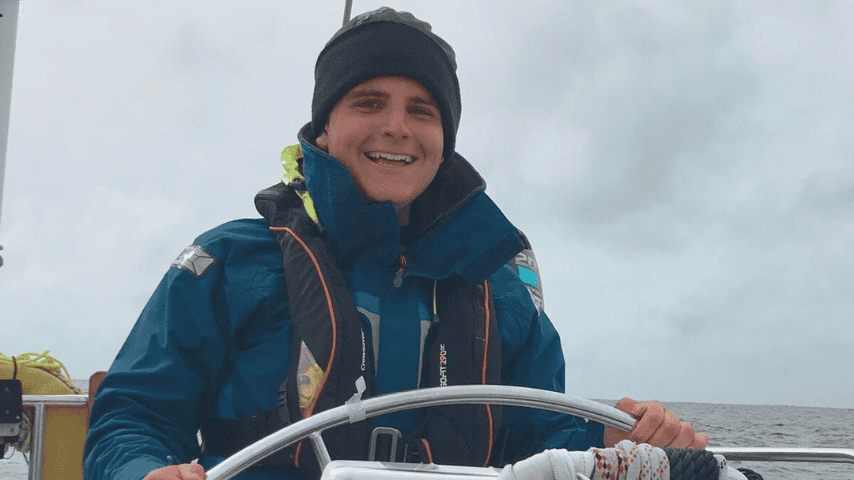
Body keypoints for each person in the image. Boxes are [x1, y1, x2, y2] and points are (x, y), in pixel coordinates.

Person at [83, 8, 707, 480]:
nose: (396, 127)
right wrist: (146, 471)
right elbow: (133, 417)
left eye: (422, 110)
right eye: (369, 102)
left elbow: (545, 440)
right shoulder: (229, 263)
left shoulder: (502, 295)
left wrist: (631, 445)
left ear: (444, 139)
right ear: (324, 130)